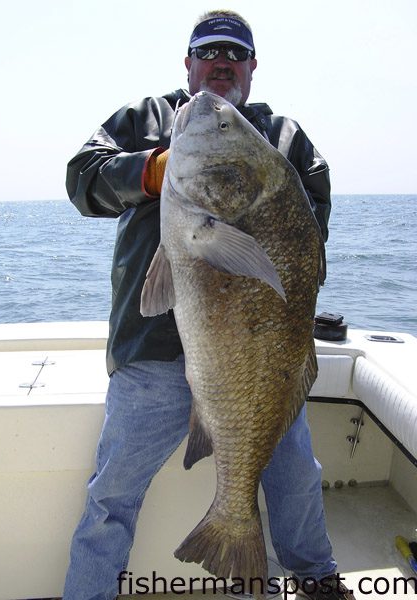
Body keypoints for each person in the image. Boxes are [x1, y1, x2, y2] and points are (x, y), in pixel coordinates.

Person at [63, 9, 356, 600]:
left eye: (234, 55)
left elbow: (308, 232)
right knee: (112, 492)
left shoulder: (284, 137)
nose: (221, 64)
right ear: (189, 63)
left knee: (296, 475)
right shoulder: (144, 120)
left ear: (251, 67)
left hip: (258, 352)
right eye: (209, 53)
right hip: (152, 347)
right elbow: (82, 179)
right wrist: (149, 171)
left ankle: (316, 575)